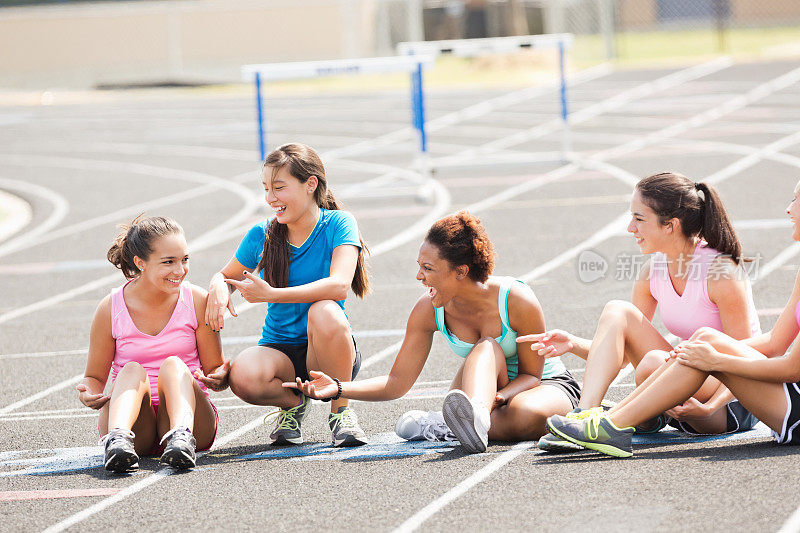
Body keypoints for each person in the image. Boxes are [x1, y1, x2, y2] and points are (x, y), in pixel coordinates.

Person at [285, 211, 581, 454]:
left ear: (461, 271)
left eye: (428, 268)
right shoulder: (428, 309)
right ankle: (469, 419)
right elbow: (396, 382)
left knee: (530, 415)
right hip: (486, 394)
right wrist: (339, 388)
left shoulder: (516, 299)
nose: (419, 276)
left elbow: (530, 375)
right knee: (488, 349)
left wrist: (500, 397)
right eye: (419, 266)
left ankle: (451, 423)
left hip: (540, 384)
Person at [545, 179, 800, 457]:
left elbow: (745, 356)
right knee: (619, 312)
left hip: (730, 399)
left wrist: (709, 406)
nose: (631, 228)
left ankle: (620, 421)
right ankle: (587, 414)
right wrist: (573, 344)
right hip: (692, 376)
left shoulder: (720, 273)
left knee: (656, 362)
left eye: (639, 219)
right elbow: (622, 356)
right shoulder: (652, 271)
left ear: (671, 225)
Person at [205, 143, 370, 447]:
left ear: (310, 185)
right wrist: (218, 283)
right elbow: (225, 275)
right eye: (266, 188)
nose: (270, 198)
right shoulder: (262, 234)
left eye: (279, 188)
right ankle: (293, 405)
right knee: (242, 376)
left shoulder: (339, 223)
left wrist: (273, 294)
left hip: (327, 348)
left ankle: (340, 413)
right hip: (280, 351)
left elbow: (339, 286)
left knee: (325, 310)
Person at [78, 216, 228, 473]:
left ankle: (180, 437)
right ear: (140, 263)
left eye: (184, 259)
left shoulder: (197, 300)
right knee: (132, 370)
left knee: (174, 365)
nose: (179, 270)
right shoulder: (110, 308)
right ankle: (118, 438)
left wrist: (222, 377)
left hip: (193, 422)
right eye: (168, 262)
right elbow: (94, 377)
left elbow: (216, 370)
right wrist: (88, 393)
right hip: (138, 426)